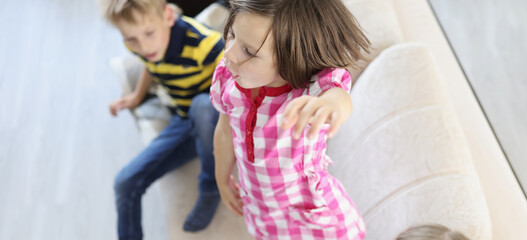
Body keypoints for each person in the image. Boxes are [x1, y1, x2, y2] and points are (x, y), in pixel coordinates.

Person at [210, 0, 371, 238]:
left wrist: (330, 105)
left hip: (313, 215)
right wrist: (222, 179)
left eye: (250, 51)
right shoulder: (227, 78)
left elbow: (338, 95)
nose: (229, 53)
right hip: (262, 208)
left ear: (292, 57)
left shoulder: (308, 89)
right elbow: (225, 131)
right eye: (232, 34)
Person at [100, 0, 224, 238]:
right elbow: (151, 63)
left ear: (168, 16)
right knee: (124, 183)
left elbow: (237, 87)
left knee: (202, 105)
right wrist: (137, 96)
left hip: (215, 119)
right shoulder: (139, 45)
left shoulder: (206, 46)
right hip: (182, 119)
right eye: (131, 39)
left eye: (149, 33)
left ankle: (210, 187)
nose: (143, 47)